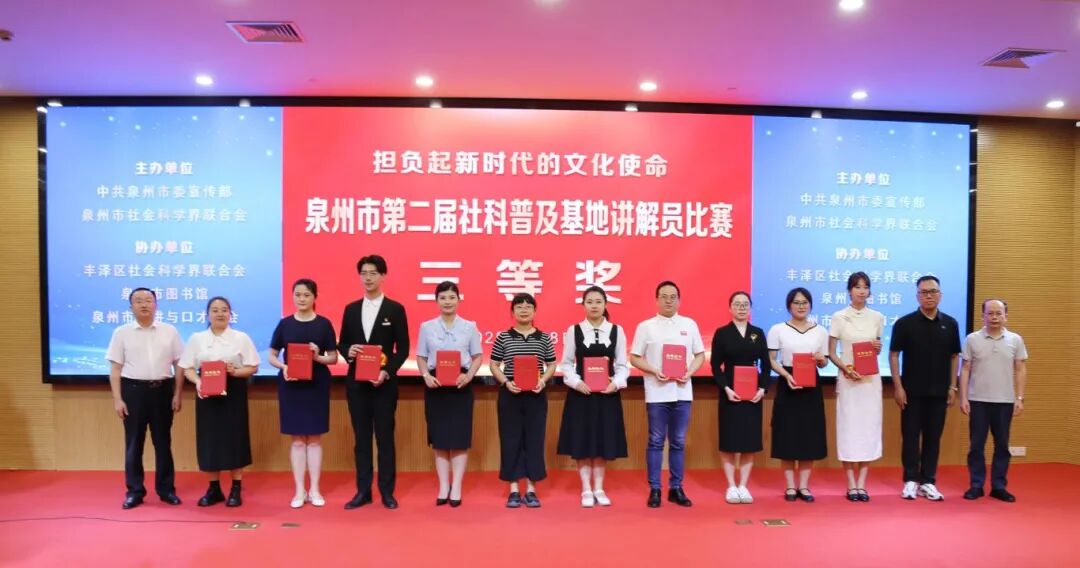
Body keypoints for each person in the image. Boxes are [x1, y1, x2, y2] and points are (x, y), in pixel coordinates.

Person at [338, 255, 410, 510]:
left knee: (385, 438)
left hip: (384, 385)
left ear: (383, 276)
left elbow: (403, 349)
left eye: (373, 273)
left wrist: (386, 372)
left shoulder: (395, 309)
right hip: (357, 385)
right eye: (364, 273)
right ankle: (363, 491)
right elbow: (342, 343)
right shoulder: (351, 309)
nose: (368, 278)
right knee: (361, 439)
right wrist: (349, 350)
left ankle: (387, 492)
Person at [630, 281, 706, 508]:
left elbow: (700, 355)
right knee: (655, 441)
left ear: (679, 300)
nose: (668, 300)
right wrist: (654, 370)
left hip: (682, 392)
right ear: (657, 300)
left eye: (673, 296)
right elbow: (634, 357)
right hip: (657, 392)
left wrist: (689, 372)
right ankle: (655, 488)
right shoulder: (646, 326)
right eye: (664, 296)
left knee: (678, 442)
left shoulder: (689, 324)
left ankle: (676, 488)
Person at [107, 287, 184, 510]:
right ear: (130, 307)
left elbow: (179, 364)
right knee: (134, 443)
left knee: (163, 442)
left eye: (148, 300)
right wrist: (117, 399)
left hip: (162, 391)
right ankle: (135, 491)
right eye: (138, 301)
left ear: (156, 305)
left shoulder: (170, 331)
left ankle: (166, 489)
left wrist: (178, 394)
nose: (144, 304)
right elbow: (115, 369)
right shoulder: (121, 332)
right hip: (133, 392)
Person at [179, 296, 260, 507]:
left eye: (224, 310)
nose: (220, 313)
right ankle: (214, 489)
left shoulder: (241, 338)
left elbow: (253, 366)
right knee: (210, 440)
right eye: (215, 310)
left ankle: (235, 488)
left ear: (230, 314)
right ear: (207, 315)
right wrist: (198, 382)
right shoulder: (197, 338)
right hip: (207, 393)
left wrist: (236, 371)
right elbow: (187, 367)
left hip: (233, 392)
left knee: (235, 438)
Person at [888, 276, 961, 501]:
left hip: (939, 392)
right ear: (917, 296)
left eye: (933, 291)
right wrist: (898, 387)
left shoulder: (950, 323)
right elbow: (893, 355)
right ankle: (910, 480)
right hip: (911, 392)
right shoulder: (905, 323)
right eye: (924, 292)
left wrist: (953, 386)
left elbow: (954, 356)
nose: (929, 296)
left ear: (940, 295)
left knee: (933, 437)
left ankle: (928, 481)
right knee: (910, 436)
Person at [556, 286, 630, 507]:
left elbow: (622, 365)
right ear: (583, 305)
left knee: (602, 441)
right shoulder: (574, 330)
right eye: (589, 302)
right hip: (581, 395)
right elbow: (566, 364)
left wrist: (616, 383)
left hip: (607, 396)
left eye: (598, 301)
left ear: (605, 304)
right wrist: (577, 382)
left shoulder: (616, 330)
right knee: (582, 441)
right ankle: (586, 489)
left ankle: (599, 487)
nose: (594, 306)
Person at [268, 279, 338, 508]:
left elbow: (333, 358)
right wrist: (284, 367)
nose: (301, 299)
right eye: (297, 294)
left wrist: (318, 356)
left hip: (316, 385)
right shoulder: (285, 324)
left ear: (315, 297)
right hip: (291, 386)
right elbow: (272, 355)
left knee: (315, 439)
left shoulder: (324, 324)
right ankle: (299, 490)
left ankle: (315, 489)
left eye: (306, 295)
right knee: (297, 440)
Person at [415, 281, 483, 508]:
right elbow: (421, 357)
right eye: (443, 297)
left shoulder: (470, 327)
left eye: (452, 297)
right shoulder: (427, 327)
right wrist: (425, 375)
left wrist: (469, 376)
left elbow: (477, 357)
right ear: (436, 301)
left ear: (458, 300)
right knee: (440, 439)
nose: (447, 302)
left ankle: (457, 487)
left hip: (461, 385)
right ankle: (444, 486)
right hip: (435, 385)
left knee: (459, 439)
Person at [490, 293, 557, 509]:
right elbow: (493, 364)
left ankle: (530, 489)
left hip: (536, 396)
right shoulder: (503, 337)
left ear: (535, 311)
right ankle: (513, 489)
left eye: (528, 306)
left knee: (534, 440)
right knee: (510, 440)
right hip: (511, 395)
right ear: (512, 312)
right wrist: (505, 382)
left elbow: (552, 364)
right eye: (519, 306)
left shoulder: (544, 338)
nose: (524, 310)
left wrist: (543, 381)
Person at [960, 299, 1028, 503]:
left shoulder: (1015, 339)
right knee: (976, 446)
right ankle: (976, 485)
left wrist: (1019, 398)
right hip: (978, 400)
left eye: (999, 313)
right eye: (990, 313)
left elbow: (1020, 369)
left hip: (1005, 401)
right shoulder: (972, 339)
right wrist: (963, 397)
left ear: (1006, 316)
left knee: (1002, 446)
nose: (994, 317)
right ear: (983, 316)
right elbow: (965, 369)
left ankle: (999, 486)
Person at [766, 287, 829, 503]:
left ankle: (804, 486)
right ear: (789, 306)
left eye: (804, 302)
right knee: (787, 435)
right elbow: (771, 359)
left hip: (811, 387)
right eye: (796, 302)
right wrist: (786, 375)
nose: (801, 306)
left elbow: (824, 362)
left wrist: (821, 360)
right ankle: (790, 486)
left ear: (810, 305)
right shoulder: (777, 329)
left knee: (809, 435)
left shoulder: (820, 331)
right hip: (788, 383)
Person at [828, 271, 886, 502]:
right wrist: (845, 368)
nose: (862, 291)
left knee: (869, 429)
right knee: (849, 429)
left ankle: (862, 483)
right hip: (849, 381)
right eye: (857, 287)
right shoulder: (839, 317)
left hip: (870, 382)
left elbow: (876, 349)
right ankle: (851, 483)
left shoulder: (877, 317)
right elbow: (832, 352)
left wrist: (878, 348)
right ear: (849, 290)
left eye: (865, 287)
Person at [711, 291, 770, 505]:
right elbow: (715, 365)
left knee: (749, 442)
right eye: (737, 304)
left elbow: (766, 364)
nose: (741, 307)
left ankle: (743, 485)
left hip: (752, 396)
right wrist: (726, 388)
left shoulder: (758, 333)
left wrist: (762, 389)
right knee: (729, 441)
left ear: (750, 308)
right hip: (730, 395)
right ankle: (731, 485)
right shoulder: (722, 333)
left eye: (745, 304)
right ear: (730, 308)